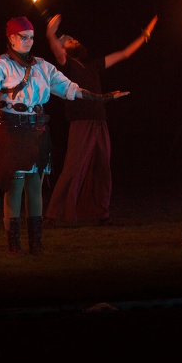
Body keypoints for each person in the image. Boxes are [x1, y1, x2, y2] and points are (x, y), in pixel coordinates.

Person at [0, 16, 121, 255]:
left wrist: (101, 97)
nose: (29, 41)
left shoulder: (43, 66)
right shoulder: (0, 64)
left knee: (35, 185)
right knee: (15, 185)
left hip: (36, 129)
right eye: (24, 37)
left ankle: (36, 243)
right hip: (12, 129)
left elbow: (69, 88)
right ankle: (14, 244)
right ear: (11, 38)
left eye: (32, 37)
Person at [44, 13, 157, 227]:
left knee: (102, 167)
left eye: (74, 39)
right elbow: (57, 51)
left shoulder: (92, 65)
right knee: (74, 167)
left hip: (99, 121)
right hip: (80, 121)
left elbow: (124, 54)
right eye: (69, 41)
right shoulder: (66, 64)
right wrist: (51, 34)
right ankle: (54, 214)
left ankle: (100, 213)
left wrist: (144, 36)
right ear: (64, 48)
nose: (75, 40)